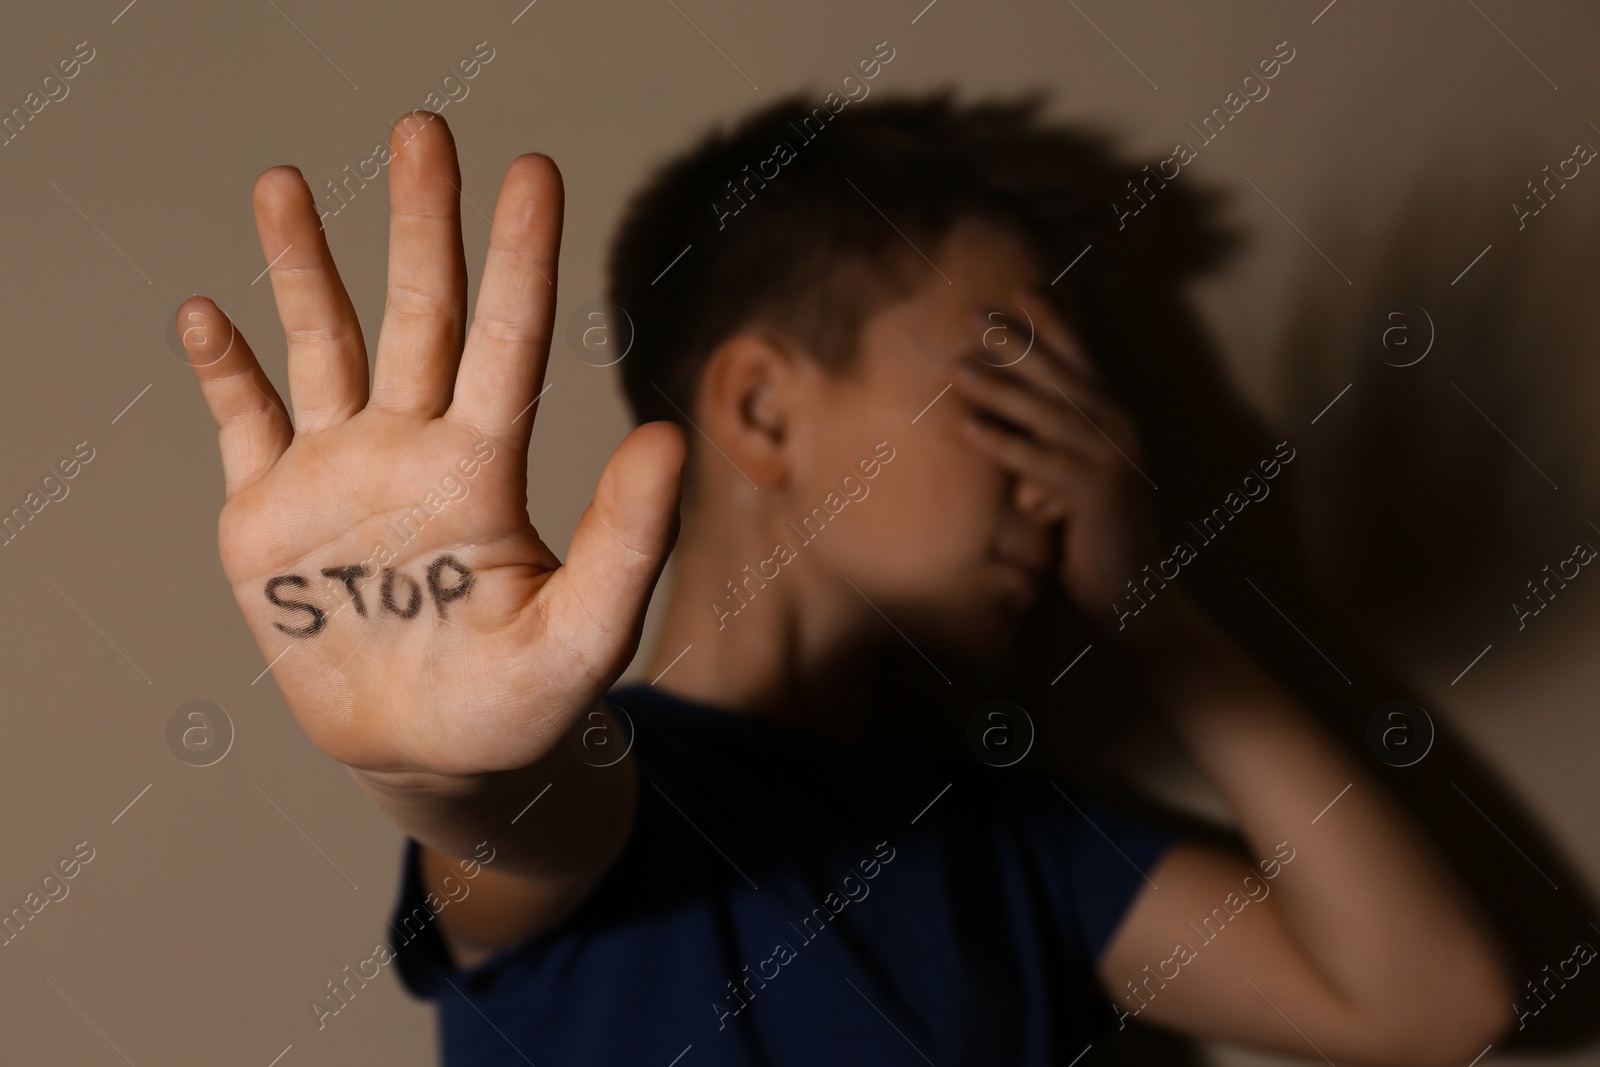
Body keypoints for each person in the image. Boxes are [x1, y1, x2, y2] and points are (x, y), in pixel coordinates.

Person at [178, 90, 1516, 1065]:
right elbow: (515, 814)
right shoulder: (603, 788)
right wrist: (438, 763)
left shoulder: (1024, 839)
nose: (1074, 474)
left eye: (1095, 427)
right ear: (761, 409)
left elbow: (1431, 1005)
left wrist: (1150, 604)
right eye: (1018, 387)